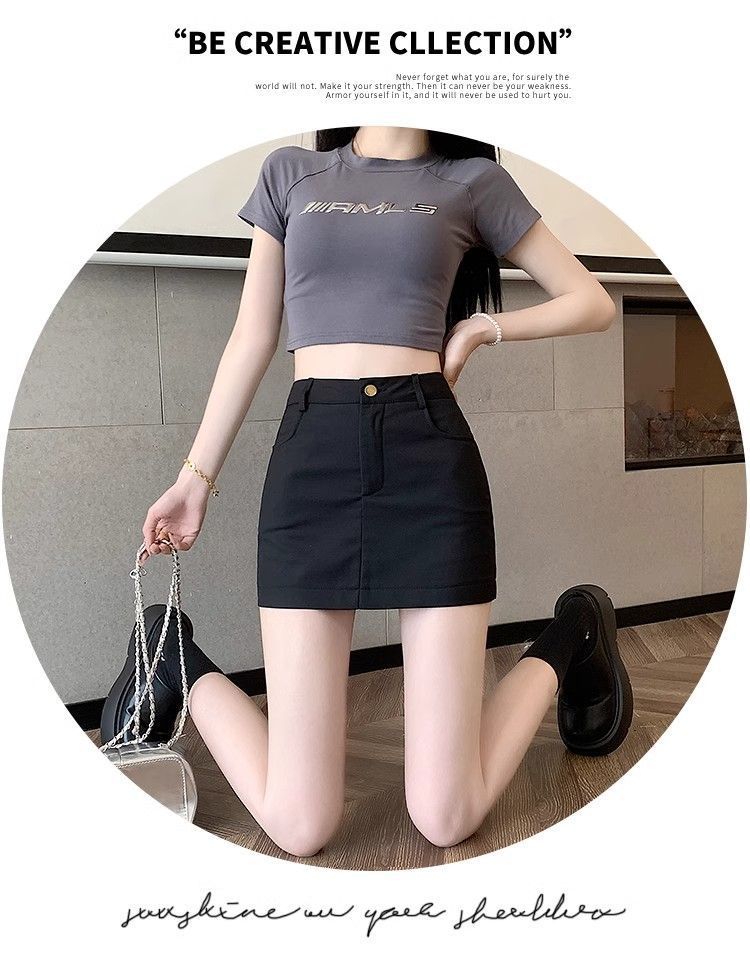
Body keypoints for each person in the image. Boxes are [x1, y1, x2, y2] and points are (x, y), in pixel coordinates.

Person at [101, 127, 633, 857]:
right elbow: (252, 336)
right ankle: (170, 656)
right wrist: (194, 480)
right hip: (313, 456)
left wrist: (482, 328)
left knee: (446, 816)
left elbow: (592, 301)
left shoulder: (472, 182)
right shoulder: (292, 174)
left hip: (428, 456)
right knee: (300, 826)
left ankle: (576, 629)